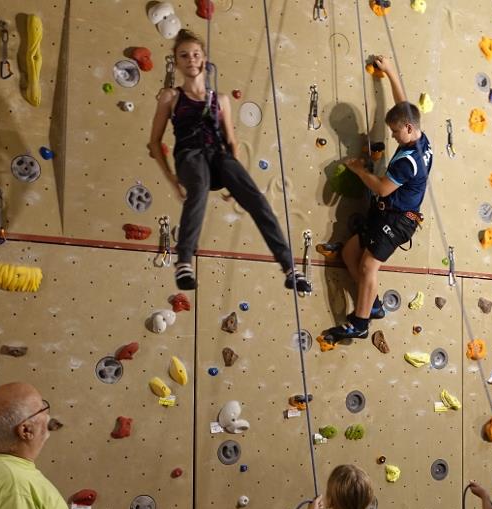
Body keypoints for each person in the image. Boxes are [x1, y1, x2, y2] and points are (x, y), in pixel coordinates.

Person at [147, 29, 308, 294]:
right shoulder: (171, 97)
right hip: (189, 156)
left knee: (257, 200)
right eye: (184, 55)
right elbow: (154, 142)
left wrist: (237, 183)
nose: (190, 60)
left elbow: (232, 142)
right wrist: (173, 179)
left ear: (204, 58)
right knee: (198, 189)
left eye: (195, 54)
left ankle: (289, 266)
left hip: (218, 157)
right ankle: (184, 261)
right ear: (176, 62)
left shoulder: (219, 100)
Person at [323, 55, 433, 343]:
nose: (394, 137)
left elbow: (383, 189)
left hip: (398, 221)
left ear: (408, 128)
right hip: (386, 215)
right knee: (349, 253)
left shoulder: (408, 162)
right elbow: (403, 106)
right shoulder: (421, 139)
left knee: (369, 265)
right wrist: (391, 74)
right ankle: (372, 305)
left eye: (396, 132)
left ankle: (360, 323)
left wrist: (358, 170)